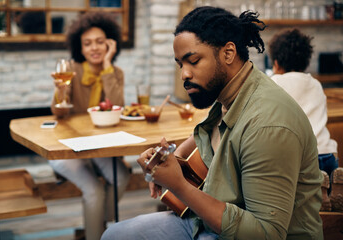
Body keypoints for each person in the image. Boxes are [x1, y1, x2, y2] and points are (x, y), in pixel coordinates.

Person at [101, 6, 324, 240]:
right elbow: (210, 140)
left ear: (228, 53)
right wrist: (169, 160)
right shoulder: (230, 96)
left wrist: (179, 186)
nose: (184, 74)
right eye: (180, 64)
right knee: (115, 235)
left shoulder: (268, 124)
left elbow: (266, 233)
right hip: (210, 221)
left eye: (193, 61)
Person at [49, 11, 130, 240]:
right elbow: (57, 111)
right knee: (94, 190)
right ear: (80, 48)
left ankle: (99, 227)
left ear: (109, 45)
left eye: (100, 42)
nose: (94, 48)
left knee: (122, 176)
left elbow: (117, 108)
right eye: (87, 44)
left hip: (97, 145)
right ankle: (97, 234)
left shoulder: (115, 73)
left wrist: (107, 67)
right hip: (66, 146)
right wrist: (60, 90)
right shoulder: (71, 71)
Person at [268, 28, 339, 178]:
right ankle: (328, 188)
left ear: (276, 63)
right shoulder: (315, 84)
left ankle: (315, 193)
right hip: (326, 155)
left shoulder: (273, 84)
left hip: (300, 161)